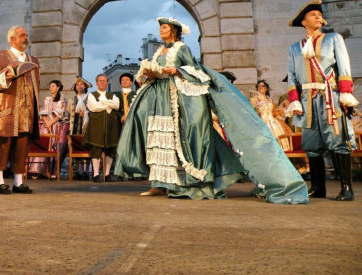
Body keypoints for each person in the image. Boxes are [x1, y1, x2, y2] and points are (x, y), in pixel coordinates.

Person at [115, 17, 308, 204]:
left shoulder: (182, 48)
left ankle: (183, 183)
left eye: (164, 28)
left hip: (177, 97)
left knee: (178, 138)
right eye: (161, 28)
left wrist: (177, 71)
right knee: (158, 140)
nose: (161, 31)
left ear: (173, 30)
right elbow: (155, 71)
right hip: (159, 97)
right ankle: (158, 183)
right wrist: (150, 73)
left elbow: (195, 70)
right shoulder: (159, 51)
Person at [286, 0, 358, 201]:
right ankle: (318, 187)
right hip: (307, 100)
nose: (318, 16)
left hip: (330, 97)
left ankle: (346, 188)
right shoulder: (294, 48)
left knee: (337, 141)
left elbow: (344, 68)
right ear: (304, 23)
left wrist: (345, 93)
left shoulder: (333, 38)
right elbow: (292, 77)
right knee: (311, 144)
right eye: (313, 15)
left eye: (319, 14)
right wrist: (295, 100)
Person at [0, 26, 40, 194]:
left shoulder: (34, 60)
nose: (26, 38)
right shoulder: (0, 55)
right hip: (6, 109)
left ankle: (18, 182)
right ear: (12, 39)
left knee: (22, 146)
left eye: (27, 35)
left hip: (26, 111)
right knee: (2, 145)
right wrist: (4, 76)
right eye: (22, 35)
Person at [28, 79, 69, 179]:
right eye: (50, 86)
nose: (51, 88)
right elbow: (44, 112)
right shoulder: (47, 99)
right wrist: (46, 122)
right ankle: (39, 170)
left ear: (58, 87)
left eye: (53, 86)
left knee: (55, 147)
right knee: (43, 146)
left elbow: (60, 114)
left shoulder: (62, 100)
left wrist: (51, 122)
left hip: (56, 126)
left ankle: (52, 171)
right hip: (46, 126)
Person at [83, 74, 120, 183]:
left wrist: (103, 103)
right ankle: (95, 174)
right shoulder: (91, 95)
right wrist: (108, 104)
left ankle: (107, 174)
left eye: (104, 81)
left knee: (110, 149)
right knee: (96, 149)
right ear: (96, 83)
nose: (102, 82)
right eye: (100, 81)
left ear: (107, 83)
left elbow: (116, 105)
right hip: (96, 125)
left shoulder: (112, 95)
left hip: (111, 125)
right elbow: (94, 107)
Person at [250, 80, 292, 151]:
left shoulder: (270, 100)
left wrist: (282, 105)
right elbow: (252, 111)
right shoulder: (254, 99)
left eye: (262, 86)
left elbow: (274, 112)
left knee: (279, 135)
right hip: (262, 122)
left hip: (273, 122)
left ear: (266, 88)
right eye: (258, 86)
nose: (260, 87)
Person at [67, 77, 92, 180]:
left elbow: (93, 110)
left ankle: (86, 171)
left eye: (82, 84)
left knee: (86, 146)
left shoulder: (90, 98)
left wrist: (86, 113)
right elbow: (68, 112)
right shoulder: (72, 100)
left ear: (85, 86)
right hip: (75, 125)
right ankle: (78, 170)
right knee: (76, 146)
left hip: (86, 126)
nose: (80, 86)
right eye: (78, 85)